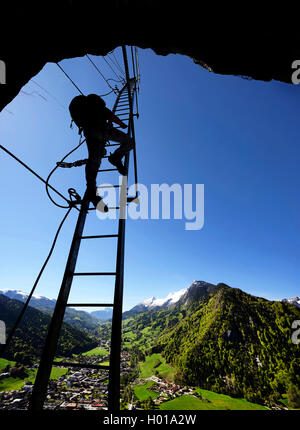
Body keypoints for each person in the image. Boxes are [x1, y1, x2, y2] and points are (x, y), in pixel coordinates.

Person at [69, 93, 134, 211]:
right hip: (103, 131)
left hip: (91, 134)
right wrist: (122, 124)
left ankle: (92, 193)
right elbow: (110, 115)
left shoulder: (86, 109)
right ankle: (115, 158)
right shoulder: (99, 107)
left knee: (93, 163)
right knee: (129, 142)